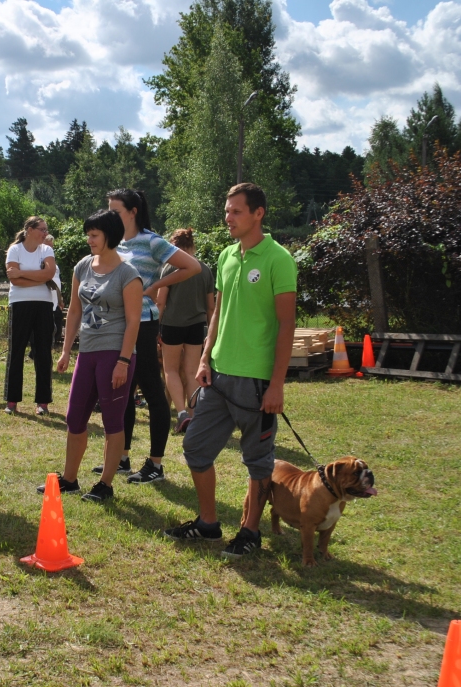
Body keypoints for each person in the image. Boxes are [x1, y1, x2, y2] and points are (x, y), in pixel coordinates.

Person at [163, 183, 297, 560]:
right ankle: (208, 524)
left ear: (258, 213)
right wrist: (205, 359)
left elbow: (287, 325)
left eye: (236, 211)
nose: (228, 218)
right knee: (195, 447)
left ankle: (250, 531)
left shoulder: (279, 259)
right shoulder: (225, 256)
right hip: (218, 376)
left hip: (256, 382)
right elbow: (218, 313)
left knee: (257, 460)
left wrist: (276, 384)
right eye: (227, 211)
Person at [39, 209, 142, 502]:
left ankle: (105, 484)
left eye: (94, 235)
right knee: (74, 417)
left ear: (110, 235)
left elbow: (134, 321)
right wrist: (66, 350)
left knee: (112, 421)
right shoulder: (83, 266)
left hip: (115, 353)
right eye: (88, 234)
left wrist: (123, 361)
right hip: (88, 352)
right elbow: (74, 310)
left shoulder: (128, 274)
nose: (89, 240)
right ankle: (69, 479)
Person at [100, 189, 200, 485]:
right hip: (119, 326)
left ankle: (155, 464)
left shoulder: (151, 241)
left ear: (133, 212)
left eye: (115, 211)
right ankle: (122, 458)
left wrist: (155, 285)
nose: (110, 216)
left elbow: (192, 266)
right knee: (123, 391)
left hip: (143, 324)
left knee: (153, 392)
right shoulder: (115, 242)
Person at [154, 228, 215, 437]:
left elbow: (160, 302)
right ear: (192, 245)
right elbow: (211, 307)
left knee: (170, 370)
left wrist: (155, 328)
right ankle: (194, 415)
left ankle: (181, 413)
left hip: (172, 325)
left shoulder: (170, 267)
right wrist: (212, 332)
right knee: (191, 372)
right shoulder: (204, 269)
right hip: (196, 326)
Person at [4, 216, 57, 416]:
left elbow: (49, 274)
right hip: (19, 304)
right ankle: (11, 401)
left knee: (43, 353)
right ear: (29, 230)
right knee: (16, 351)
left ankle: (43, 402)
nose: (45, 233)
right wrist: (39, 277)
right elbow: (14, 280)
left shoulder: (47, 250)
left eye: (46, 229)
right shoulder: (15, 250)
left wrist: (22, 273)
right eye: (42, 229)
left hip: (44, 305)